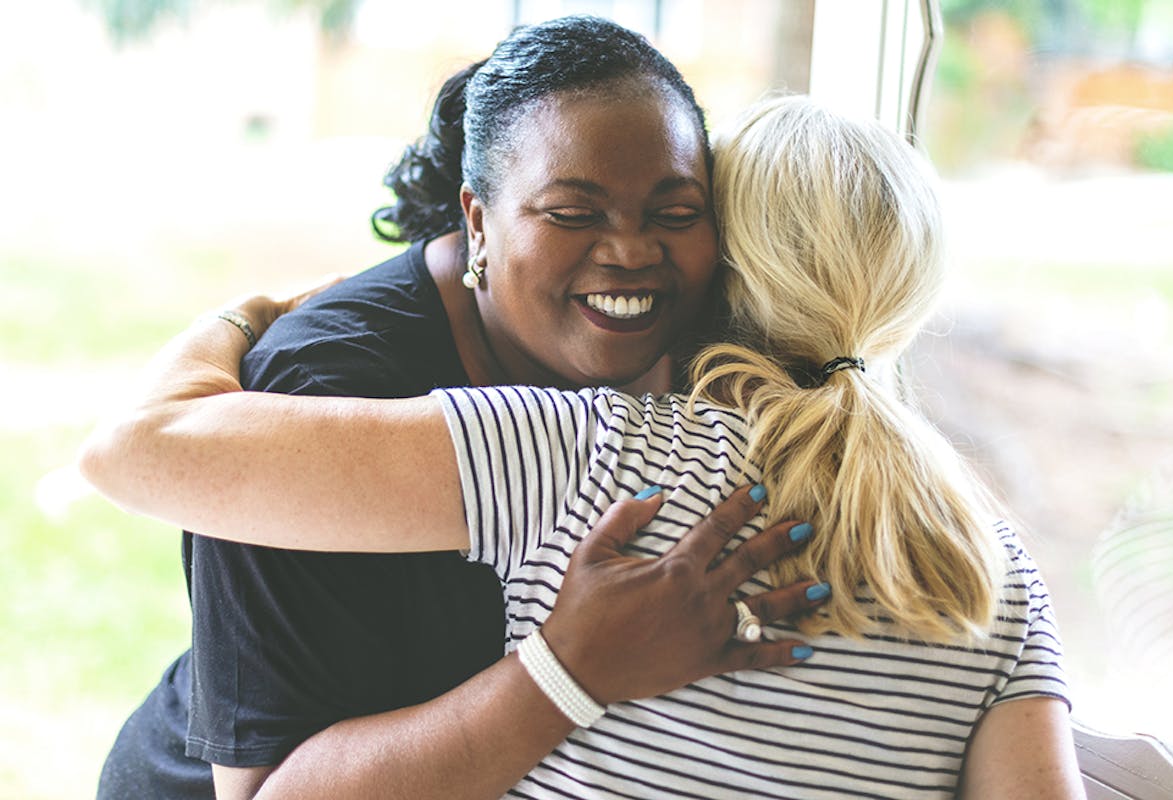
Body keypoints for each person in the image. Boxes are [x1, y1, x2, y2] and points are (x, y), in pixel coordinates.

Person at [82, 95, 1086, 798]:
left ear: (720, 262)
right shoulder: (990, 567)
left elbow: (141, 455)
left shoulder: (585, 454)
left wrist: (245, 315)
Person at [93, 16, 821, 800]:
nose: (634, 250)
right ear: (477, 219)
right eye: (574, 213)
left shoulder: (701, 342)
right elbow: (264, 791)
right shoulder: (319, 386)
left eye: (674, 214)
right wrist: (568, 674)